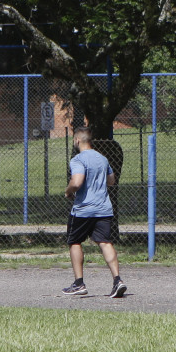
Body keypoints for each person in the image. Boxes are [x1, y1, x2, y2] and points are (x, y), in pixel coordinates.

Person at [62, 126, 127, 298]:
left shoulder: (78, 159)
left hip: (83, 210)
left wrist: (69, 191)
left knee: (75, 241)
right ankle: (117, 280)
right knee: (105, 242)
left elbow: (76, 182)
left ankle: (79, 283)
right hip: (103, 208)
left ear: (77, 140)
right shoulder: (102, 159)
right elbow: (111, 181)